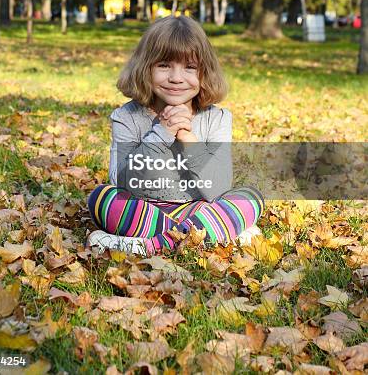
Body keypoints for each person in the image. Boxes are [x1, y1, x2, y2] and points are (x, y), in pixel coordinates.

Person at [86, 15, 264, 256]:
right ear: (145, 67)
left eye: (190, 67)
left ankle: (149, 245)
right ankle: (215, 234)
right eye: (164, 65)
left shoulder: (217, 118)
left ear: (204, 73)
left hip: (198, 209)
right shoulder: (127, 117)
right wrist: (162, 133)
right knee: (103, 198)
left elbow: (219, 188)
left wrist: (186, 137)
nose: (176, 77)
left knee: (249, 198)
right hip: (145, 209)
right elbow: (122, 183)